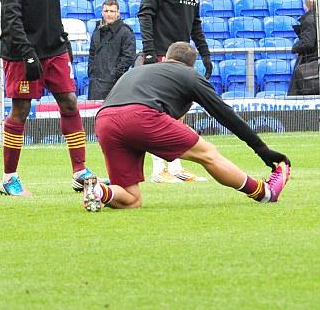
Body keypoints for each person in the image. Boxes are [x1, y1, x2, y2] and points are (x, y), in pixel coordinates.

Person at [83, 42, 291, 212]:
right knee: (208, 153)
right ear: (192, 66)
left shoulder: (138, 71)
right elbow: (226, 115)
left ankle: (100, 191)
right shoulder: (190, 75)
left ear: (165, 58)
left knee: (131, 199)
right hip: (141, 116)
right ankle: (264, 193)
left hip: (105, 120)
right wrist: (262, 149)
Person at [0, 0, 104, 196]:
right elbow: (10, 13)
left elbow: (50, 9)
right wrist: (27, 52)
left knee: (70, 102)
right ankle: (9, 178)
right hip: (22, 51)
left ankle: (79, 171)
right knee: (21, 109)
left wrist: (63, 42)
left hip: (54, 49)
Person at [138, 0, 213, 183]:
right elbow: (145, 13)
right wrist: (149, 53)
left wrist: (205, 54)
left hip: (183, 60)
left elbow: (195, 22)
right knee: (162, 115)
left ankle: (175, 168)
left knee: (179, 113)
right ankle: (160, 171)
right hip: (160, 54)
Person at [87, 0, 136, 100]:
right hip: (95, 84)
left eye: (112, 11)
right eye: (106, 11)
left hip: (114, 84)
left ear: (118, 13)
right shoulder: (97, 30)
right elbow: (92, 53)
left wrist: (114, 74)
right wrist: (91, 71)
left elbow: (129, 57)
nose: (108, 14)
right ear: (102, 12)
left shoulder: (125, 32)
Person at [289, 0, 319, 95]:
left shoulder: (309, 20)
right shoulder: (315, 17)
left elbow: (308, 42)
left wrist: (295, 48)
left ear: (306, 6)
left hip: (311, 61)